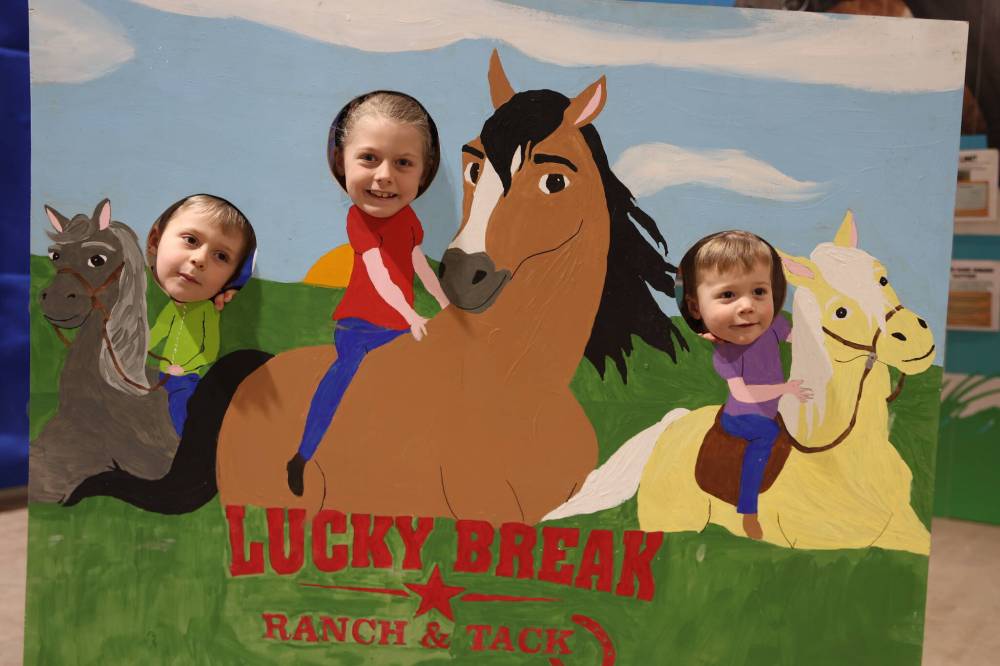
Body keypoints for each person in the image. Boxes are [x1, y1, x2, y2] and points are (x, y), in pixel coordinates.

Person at [286, 91, 450, 496]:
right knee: (342, 378)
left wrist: (448, 305)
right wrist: (412, 317)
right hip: (361, 327)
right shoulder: (358, 221)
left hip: (398, 326)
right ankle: (304, 455)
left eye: (403, 163)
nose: (385, 176)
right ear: (341, 161)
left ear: (423, 173)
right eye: (369, 158)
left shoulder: (409, 220)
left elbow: (418, 267)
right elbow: (379, 275)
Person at [678, 230, 812, 540]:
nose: (748, 305)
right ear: (697, 308)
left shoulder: (774, 326)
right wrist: (786, 389)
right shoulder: (726, 354)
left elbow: (799, 340)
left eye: (759, 292)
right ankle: (748, 510)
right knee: (767, 434)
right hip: (741, 417)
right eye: (728, 295)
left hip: (771, 408)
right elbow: (744, 394)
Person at [146, 194, 256, 437]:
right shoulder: (170, 307)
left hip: (186, 376)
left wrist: (186, 367)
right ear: (154, 240)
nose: (199, 259)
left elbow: (210, 344)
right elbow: (157, 333)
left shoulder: (207, 311)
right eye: (191, 240)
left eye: (221, 256)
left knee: (181, 406)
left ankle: (188, 446)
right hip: (161, 371)